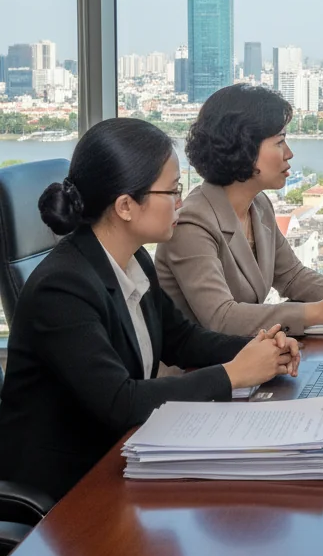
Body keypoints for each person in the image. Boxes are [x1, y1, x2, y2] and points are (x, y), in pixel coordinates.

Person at [0, 118, 301, 502]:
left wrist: (257, 348)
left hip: (120, 456)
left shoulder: (133, 259)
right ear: (126, 205)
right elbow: (120, 402)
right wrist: (233, 374)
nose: (181, 201)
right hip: (68, 492)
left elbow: (182, 339)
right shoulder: (62, 288)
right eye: (173, 190)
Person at [156, 84, 323, 336]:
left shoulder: (259, 205)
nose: (289, 153)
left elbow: (291, 276)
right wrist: (317, 312)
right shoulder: (192, 223)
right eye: (280, 142)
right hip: (199, 370)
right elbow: (221, 318)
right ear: (244, 147)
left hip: (246, 359)